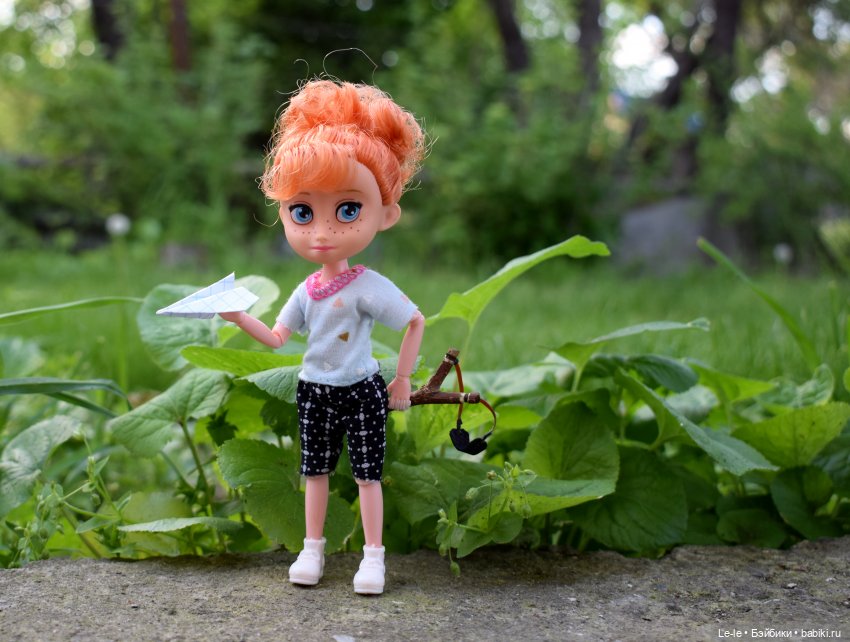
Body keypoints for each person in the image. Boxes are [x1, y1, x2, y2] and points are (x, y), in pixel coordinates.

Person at [220, 79, 426, 595]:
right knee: (313, 472)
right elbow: (277, 337)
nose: (322, 231)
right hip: (314, 389)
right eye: (303, 212)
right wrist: (239, 317)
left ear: (386, 214)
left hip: (361, 389)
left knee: (367, 474)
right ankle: (311, 548)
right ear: (283, 212)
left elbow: (414, 321)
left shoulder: (367, 286)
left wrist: (402, 379)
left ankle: (373, 557)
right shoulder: (306, 290)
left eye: (348, 210)